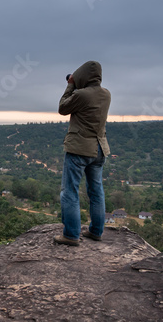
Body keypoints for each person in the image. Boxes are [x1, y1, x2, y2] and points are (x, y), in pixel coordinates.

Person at [53, 61, 111, 246]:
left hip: (79, 149)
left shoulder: (81, 94)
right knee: (96, 191)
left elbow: (63, 107)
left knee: (69, 191)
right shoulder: (106, 94)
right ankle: (96, 231)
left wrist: (70, 85)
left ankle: (70, 234)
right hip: (99, 148)